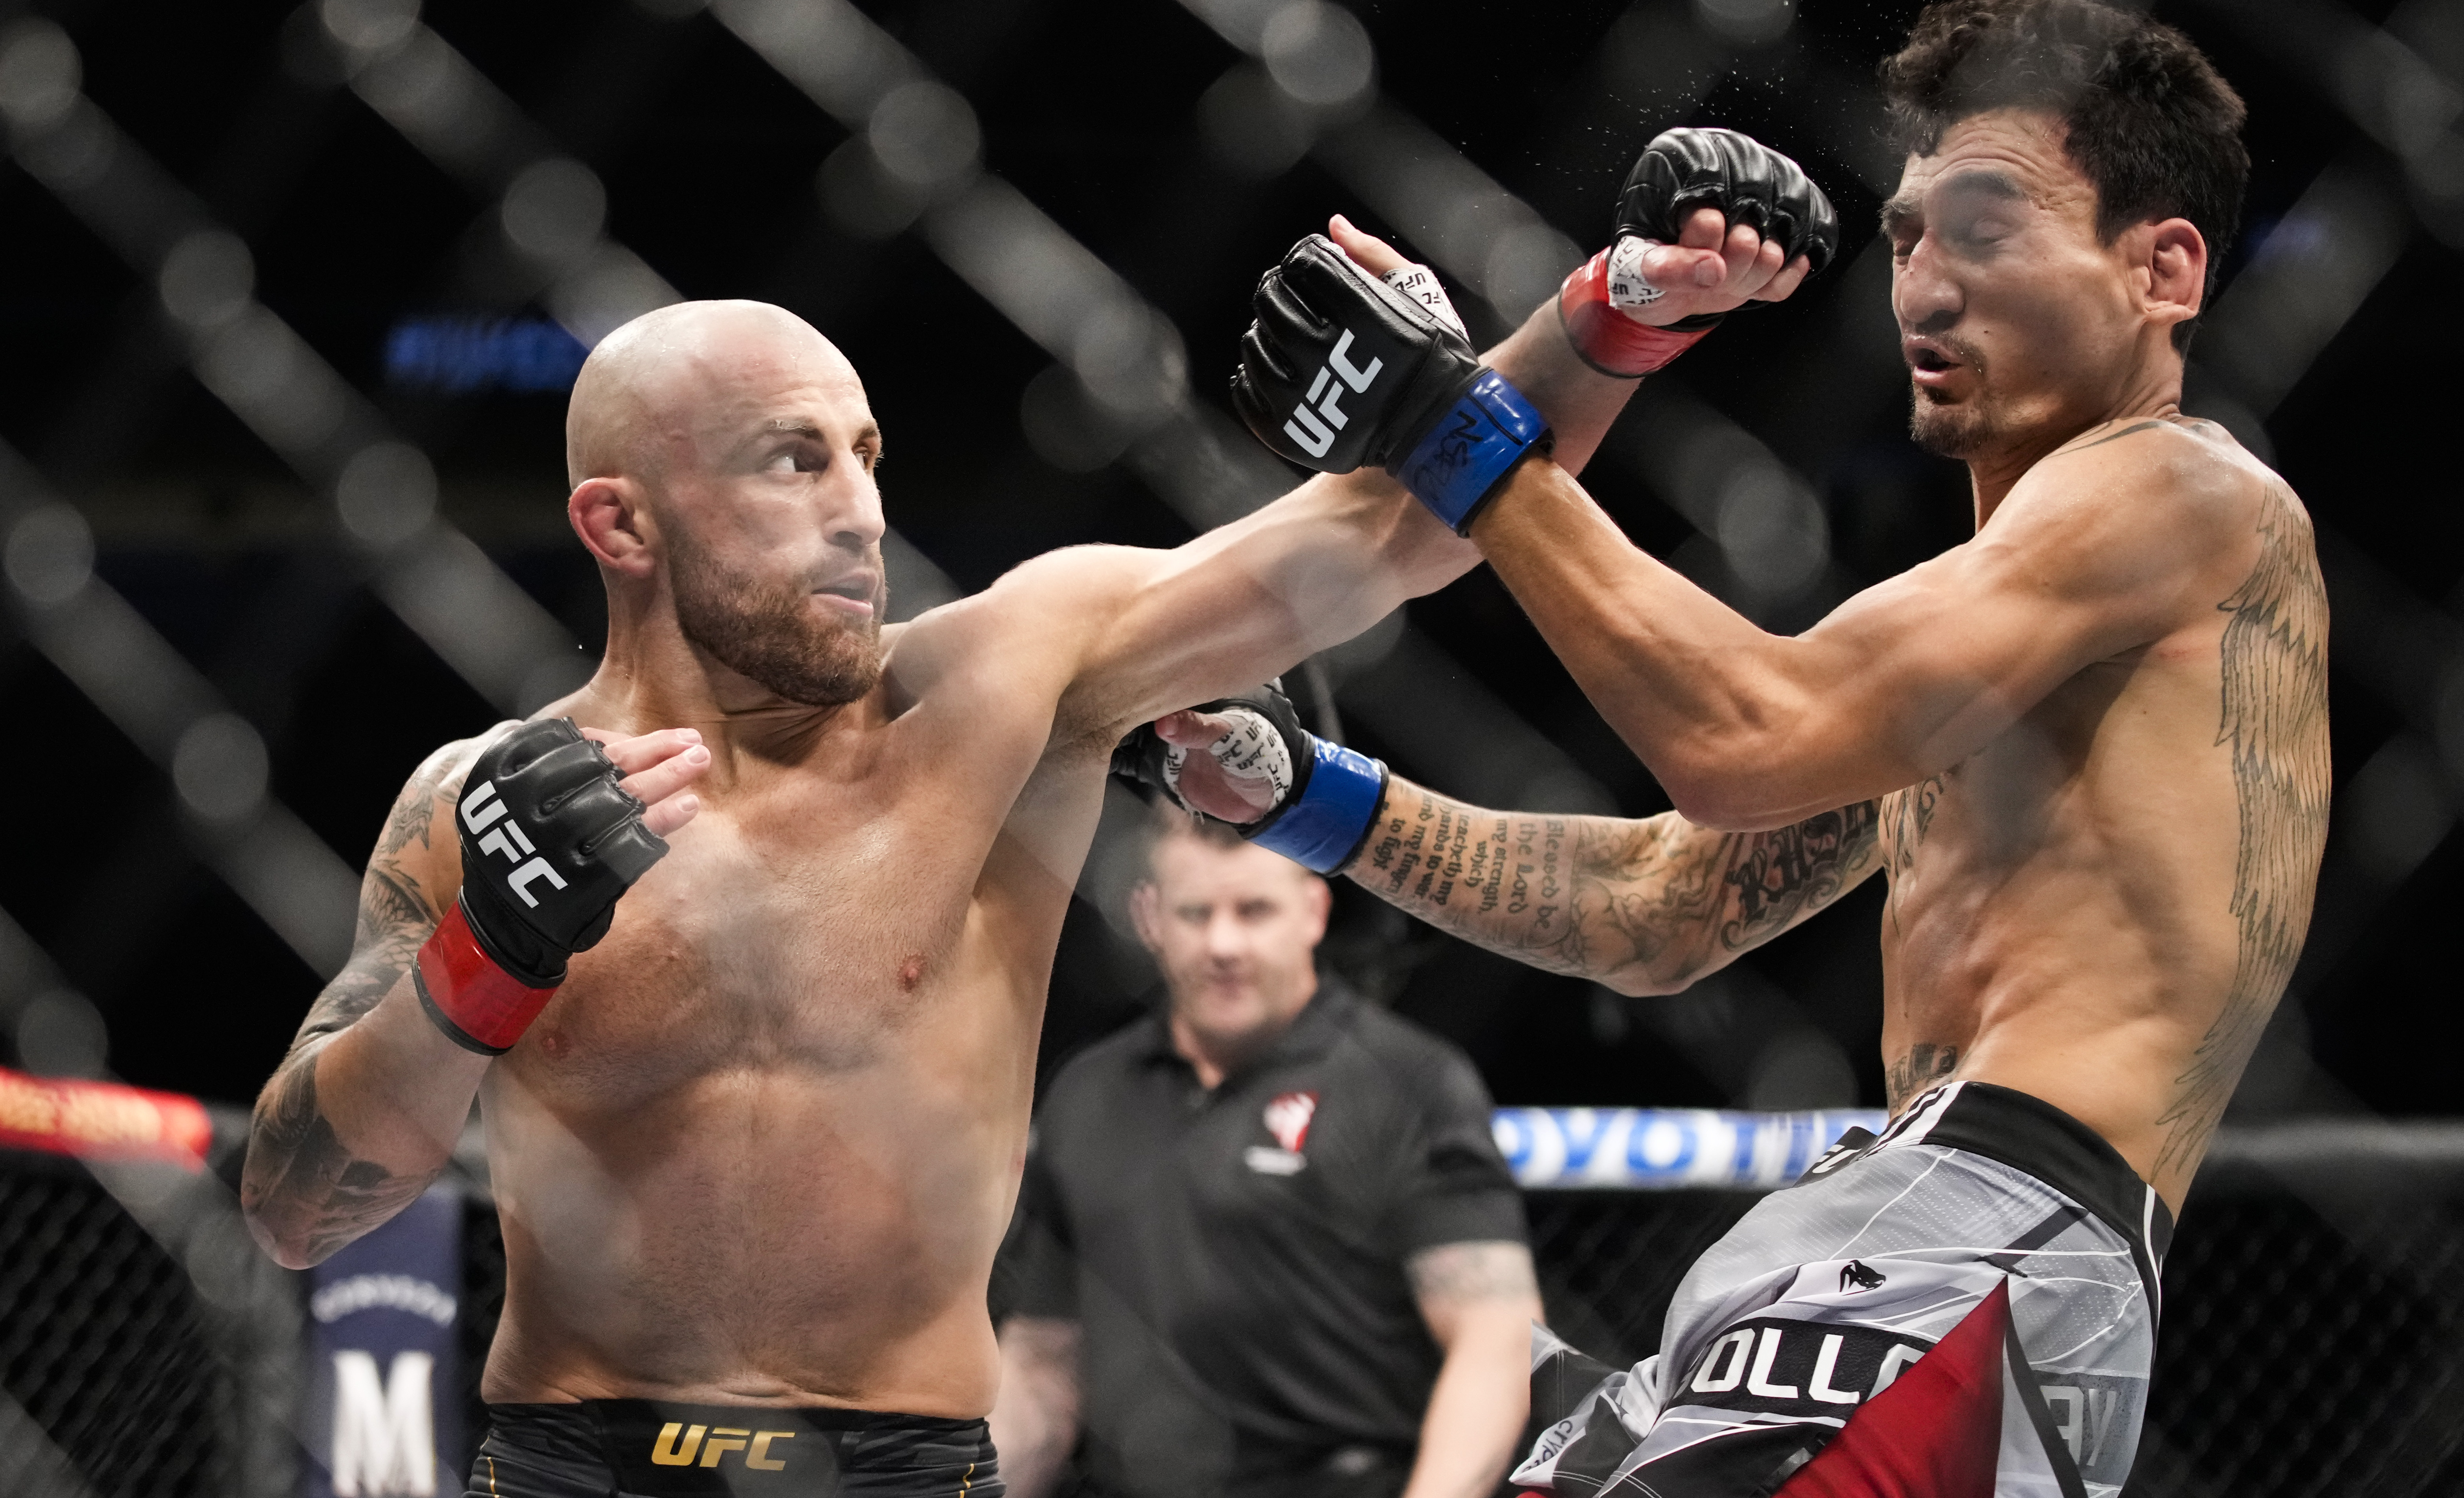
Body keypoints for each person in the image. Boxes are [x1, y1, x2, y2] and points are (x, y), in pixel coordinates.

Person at [236, 121, 1827, 1497]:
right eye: (792, 463)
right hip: (572, 1457)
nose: (860, 513)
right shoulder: (481, 805)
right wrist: (478, 969)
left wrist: (1614, 308)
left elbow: (1392, 537)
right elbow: (302, 1209)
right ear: (620, 522)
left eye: (866, 456)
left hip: (898, 1466)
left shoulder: (1004, 689)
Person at [1167, 0, 2326, 1497]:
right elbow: (1658, 909)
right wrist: (1307, 797)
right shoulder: (1983, 628)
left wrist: (1457, 430)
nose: (1920, 284)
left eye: (1984, 229)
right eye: (1908, 235)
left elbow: (1740, 733)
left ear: (2162, 268)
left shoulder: (2183, 499)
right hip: (1875, 1233)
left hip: (1982, 1243)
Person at [990, 806, 1538, 1498]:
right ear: (1148, 918)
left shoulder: (1406, 1081)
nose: (1224, 945)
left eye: (1254, 912)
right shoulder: (1087, 1092)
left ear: (1313, 912)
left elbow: (1498, 1338)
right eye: (1196, 914)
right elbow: (1042, 1365)